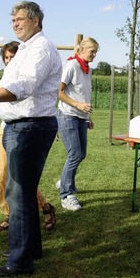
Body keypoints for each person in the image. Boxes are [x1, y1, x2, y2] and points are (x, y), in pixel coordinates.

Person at [0, 1, 61, 277]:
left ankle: (19, 262)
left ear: (36, 20)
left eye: (19, 19)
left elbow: (25, 87)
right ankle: (30, 250)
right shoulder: (25, 50)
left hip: (30, 127)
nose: (15, 23)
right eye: (13, 20)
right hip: (22, 126)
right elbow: (7, 82)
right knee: (24, 193)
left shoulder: (41, 48)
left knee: (17, 195)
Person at [0, 41, 56, 232]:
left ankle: (42, 209)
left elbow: (21, 91)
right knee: (1, 176)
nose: (9, 61)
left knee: (20, 180)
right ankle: (12, 213)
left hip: (23, 128)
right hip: (5, 128)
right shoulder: (7, 74)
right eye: (7, 58)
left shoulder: (28, 73)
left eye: (13, 57)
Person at [56, 37, 99, 211]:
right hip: (67, 115)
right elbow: (58, 91)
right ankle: (66, 194)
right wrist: (78, 105)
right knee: (74, 154)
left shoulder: (87, 69)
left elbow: (83, 95)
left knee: (81, 154)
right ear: (82, 50)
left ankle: (64, 181)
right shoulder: (71, 66)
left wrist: (87, 116)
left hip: (81, 117)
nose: (94, 55)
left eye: (96, 52)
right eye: (92, 51)